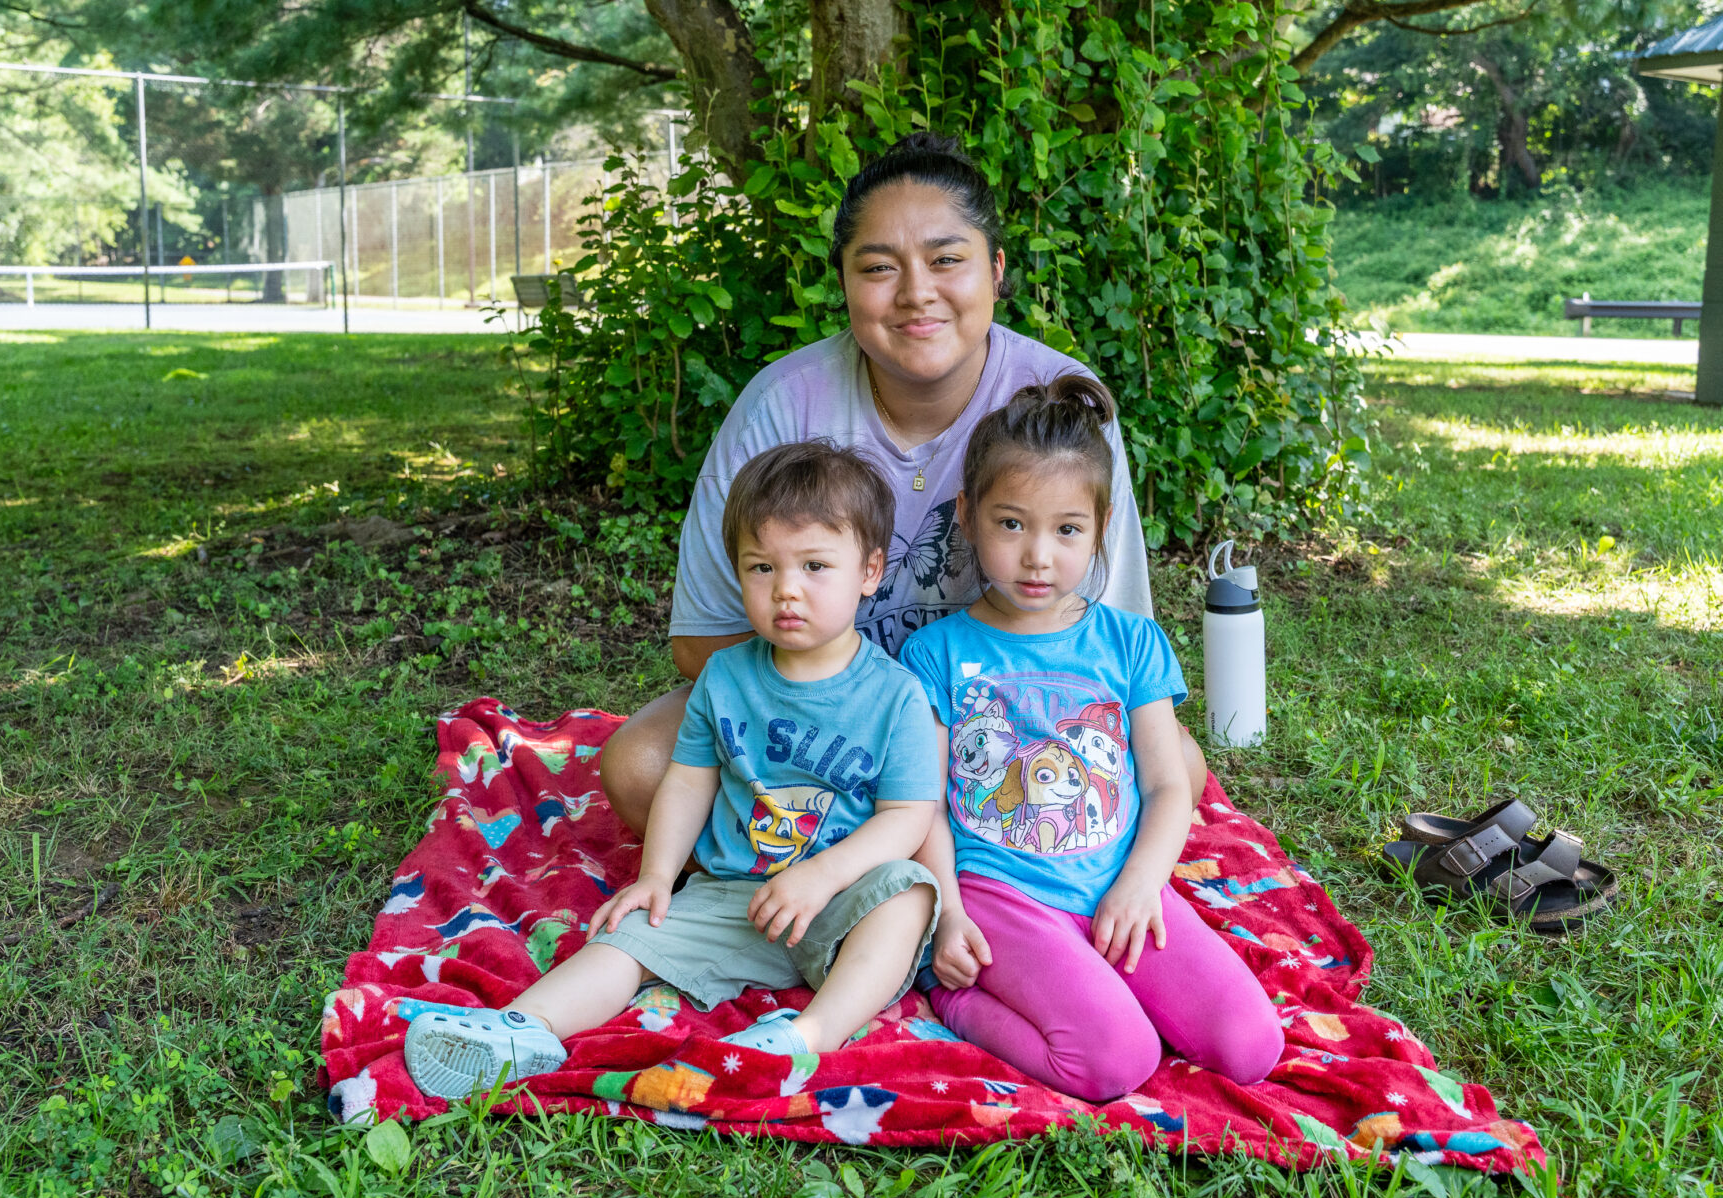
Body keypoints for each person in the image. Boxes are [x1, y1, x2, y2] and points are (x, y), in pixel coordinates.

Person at [601, 132, 1211, 834]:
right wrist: (864, 711)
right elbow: (702, 642)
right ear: (845, 283)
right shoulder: (782, 406)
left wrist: (960, 733)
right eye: (880, 268)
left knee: (1179, 768)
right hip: (817, 709)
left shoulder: (1061, 406)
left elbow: (1106, 635)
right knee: (640, 767)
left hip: (1005, 718)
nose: (917, 294)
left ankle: (895, 847)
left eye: (948, 260)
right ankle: (868, 858)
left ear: (996, 269)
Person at [403, 442, 941, 1100]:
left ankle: (804, 1039)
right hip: (734, 896)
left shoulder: (896, 695)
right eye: (762, 567)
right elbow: (690, 778)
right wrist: (657, 876)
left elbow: (909, 816)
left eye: (815, 566)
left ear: (871, 570)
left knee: (910, 893)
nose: (787, 589)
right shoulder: (727, 676)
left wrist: (822, 875)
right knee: (631, 933)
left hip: (841, 903)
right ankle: (522, 1030)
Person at [898, 376, 1284, 1104]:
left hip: (1116, 882)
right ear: (968, 517)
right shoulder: (936, 656)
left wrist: (1141, 885)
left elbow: (1170, 786)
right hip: (999, 895)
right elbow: (926, 806)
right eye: (1011, 524)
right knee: (1115, 1060)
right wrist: (947, 911)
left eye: (1067, 529)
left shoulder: (1131, 643)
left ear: (1101, 527)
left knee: (1251, 1045)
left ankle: (1095, 980)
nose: (1038, 555)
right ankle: (956, 1001)